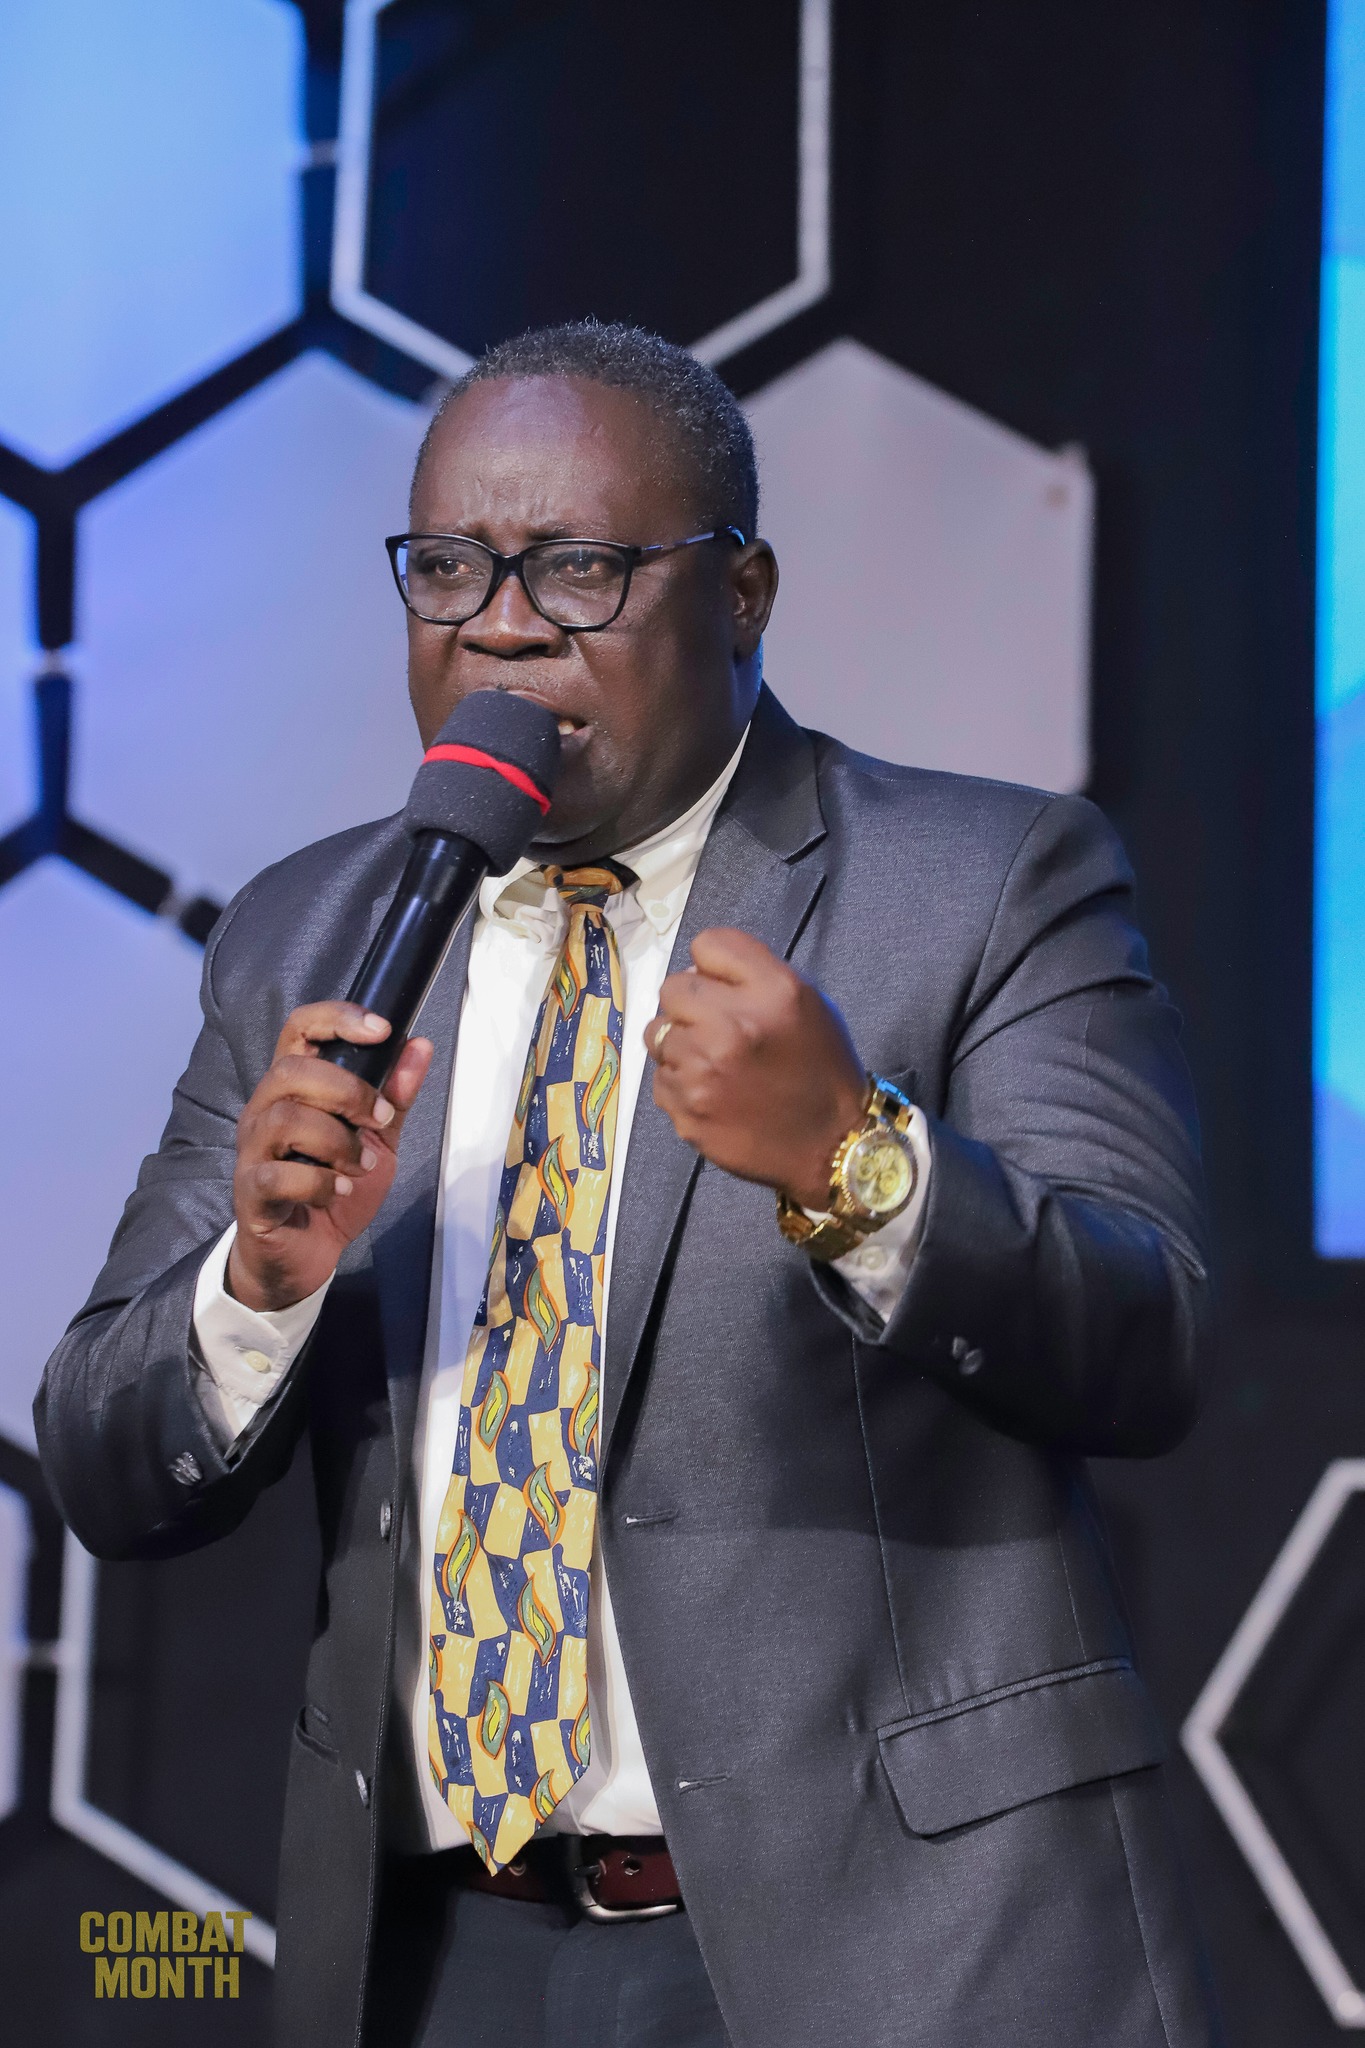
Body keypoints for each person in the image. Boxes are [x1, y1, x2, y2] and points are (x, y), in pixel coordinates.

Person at [35, 320, 1218, 2048]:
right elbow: (105, 1463)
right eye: (447, 567)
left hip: (901, 1949)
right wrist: (255, 1291)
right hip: (446, 1957)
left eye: (578, 567)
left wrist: (857, 1166)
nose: (500, 625)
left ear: (739, 595)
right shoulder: (311, 933)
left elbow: (1147, 1339)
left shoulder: (982, 879)